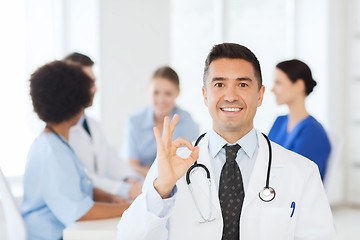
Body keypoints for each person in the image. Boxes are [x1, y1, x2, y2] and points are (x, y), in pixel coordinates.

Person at [117, 43, 336, 240]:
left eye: (242, 85)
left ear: (260, 95)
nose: (230, 96)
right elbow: (129, 237)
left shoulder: (302, 172)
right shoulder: (169, 167)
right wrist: (162, 189)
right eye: (219, 84)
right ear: (205, 95)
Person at [21, 61, 130, 240]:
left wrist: (110, 197)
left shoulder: (54, 144)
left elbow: (78, 188)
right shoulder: (53, 153)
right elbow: (80, 212)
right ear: (76, 104)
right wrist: (130, 208)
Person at [64, 52, 142, 200]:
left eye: (94, 82)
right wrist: (127, 190)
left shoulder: (93, 125)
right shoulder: (62, 133)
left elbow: (111, 158)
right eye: (88, 83)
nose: (94, 89)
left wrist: (129, 178)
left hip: (98, 201)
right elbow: (83, 178)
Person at [121, 66, 199, 177]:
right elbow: (131, 165)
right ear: (148, 90)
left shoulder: (186, 121)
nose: (161, 100)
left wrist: (149, 171)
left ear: (177, 93)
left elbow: (190, 163)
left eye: (167, 94)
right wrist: (163, 174)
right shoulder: (134, 121)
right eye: (156, 93)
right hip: (140, 185)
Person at [268, 59, 331, 180]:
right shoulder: (279, 122)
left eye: (278, 83)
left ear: (299, 85)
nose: (272, 89)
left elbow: (295, 176)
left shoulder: (313, 131)